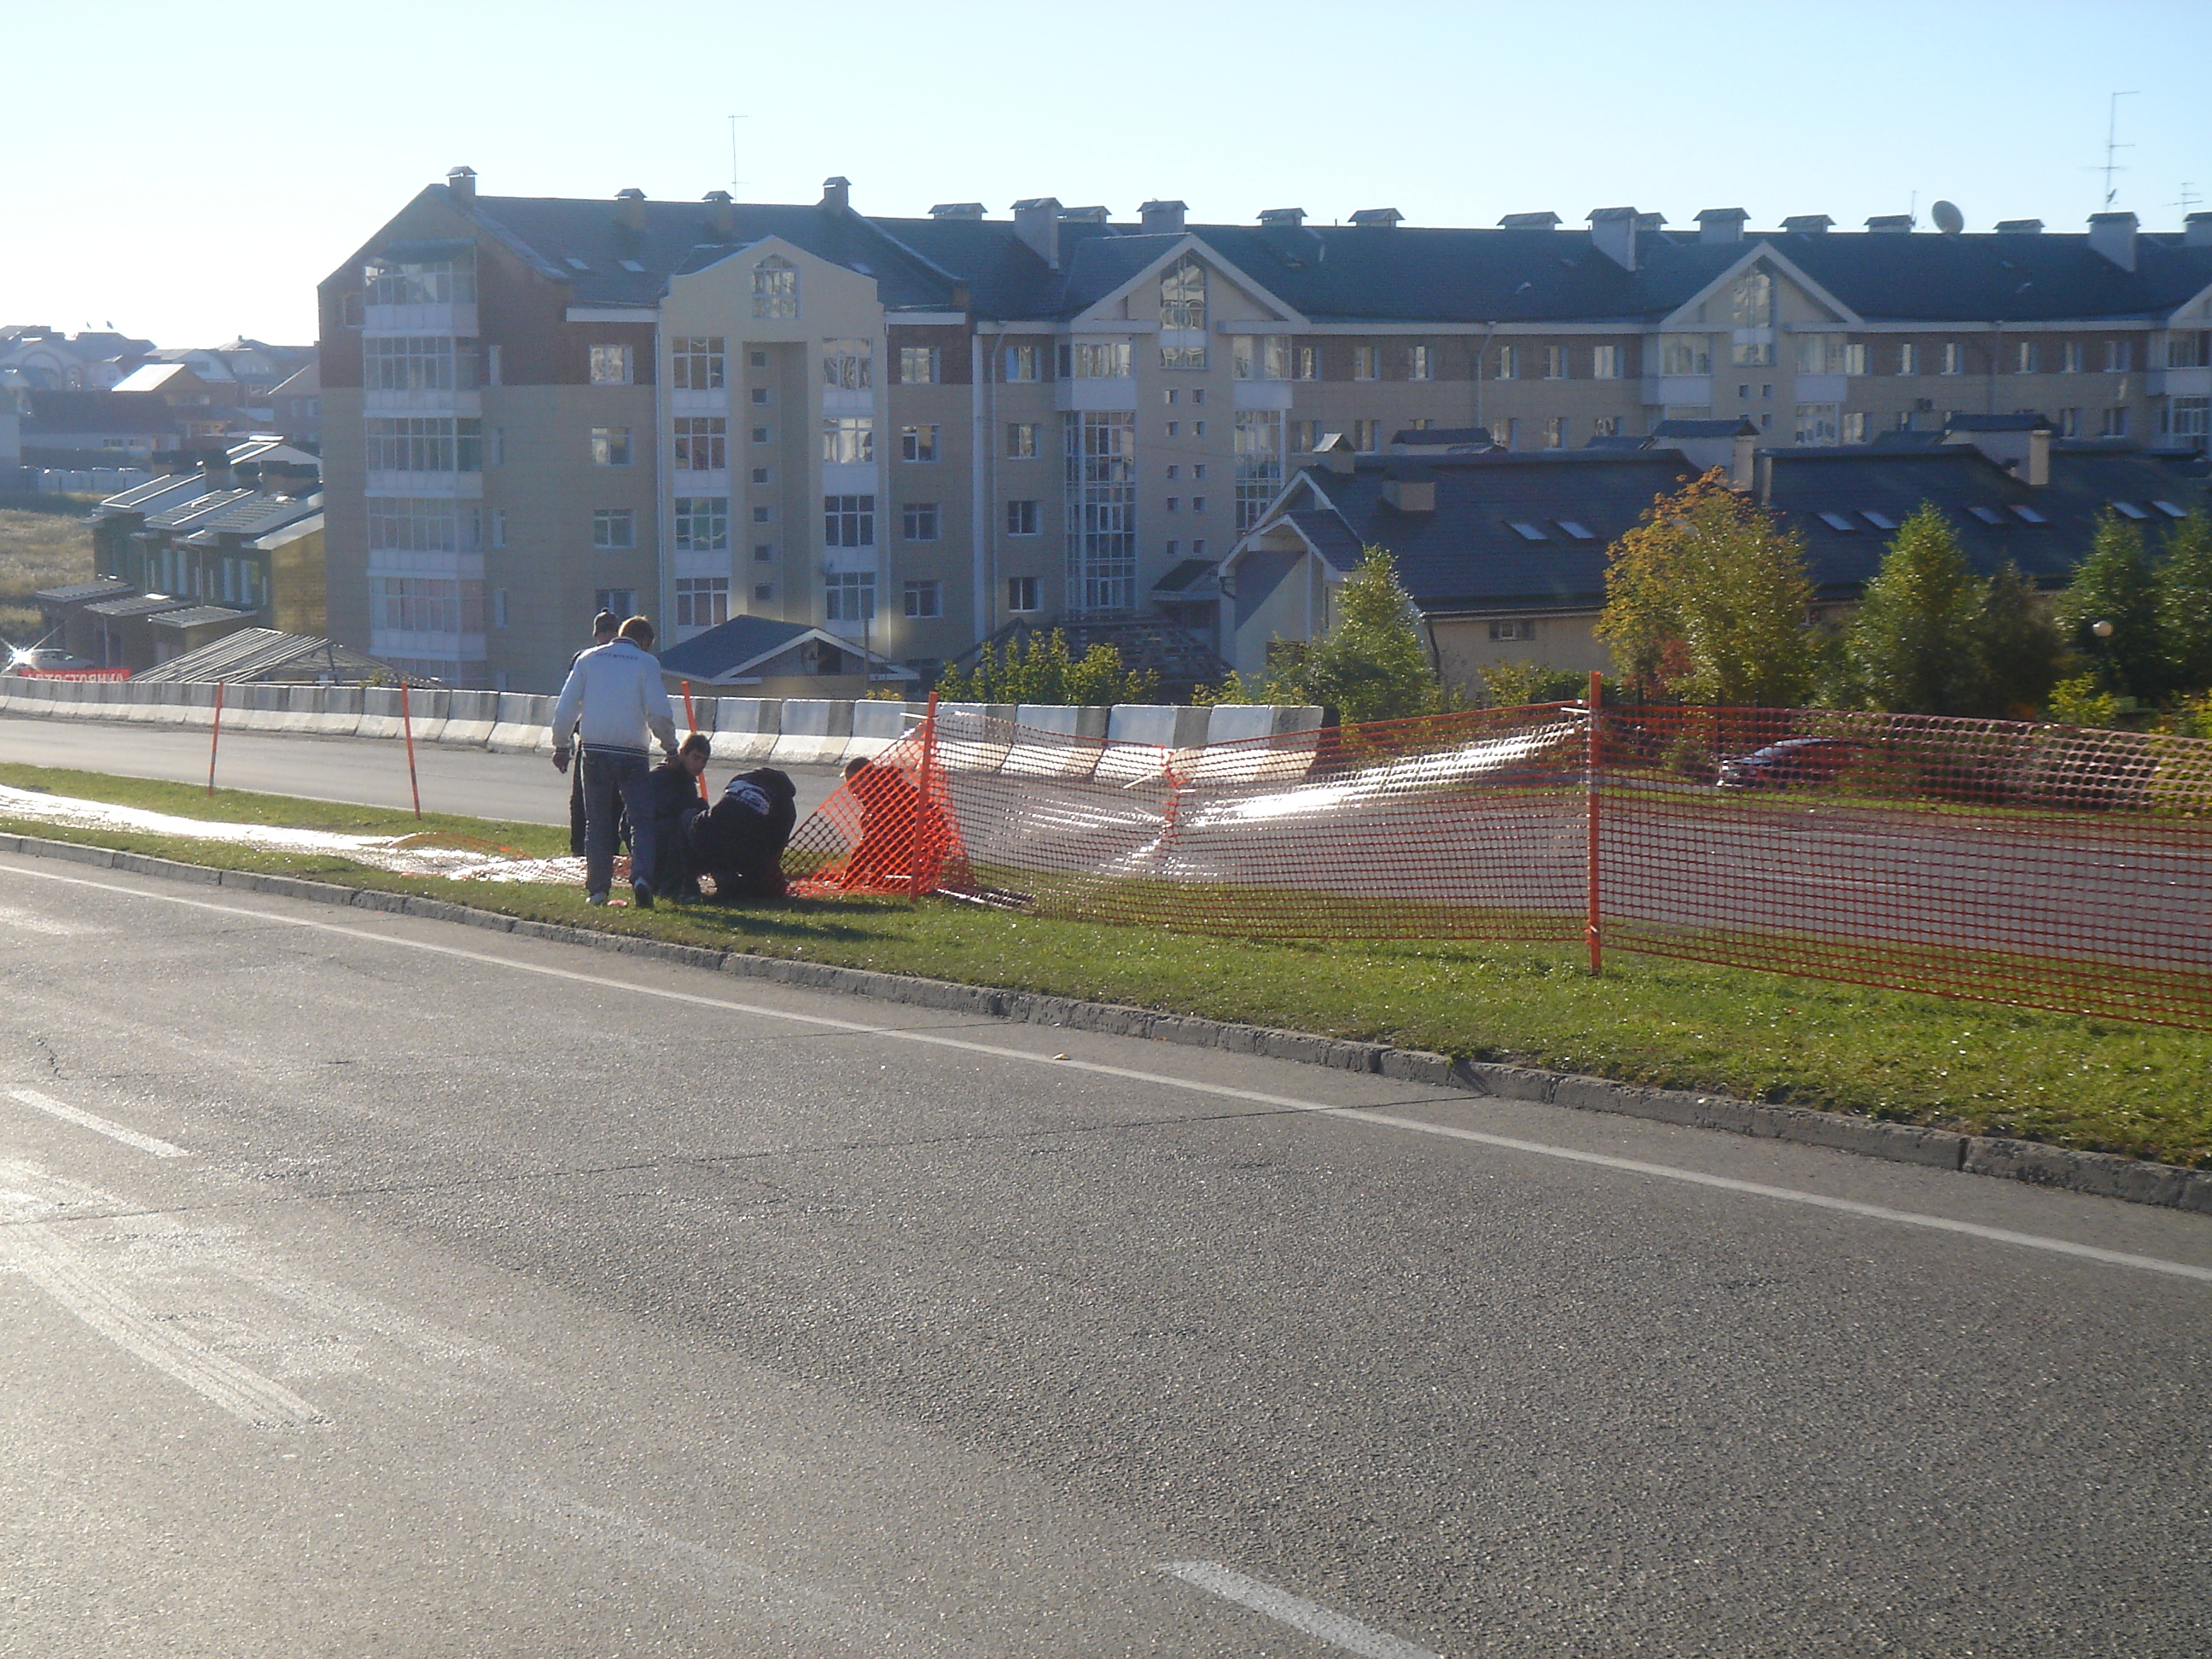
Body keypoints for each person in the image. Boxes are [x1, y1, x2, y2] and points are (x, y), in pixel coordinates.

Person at [550, 615, 677, 908]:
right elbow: (659, 712)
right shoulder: (646, 663)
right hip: (632, 751)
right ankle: (643, 878)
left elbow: (566, 707)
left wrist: (561, 745)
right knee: (640, 819)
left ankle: (598, 890)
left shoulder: (587, 659)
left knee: (597, 822)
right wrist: (670, 747)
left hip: (594, 749)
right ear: (644, 641)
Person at [686, 766, 798, 900]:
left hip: (705, 833)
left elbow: (721, 810)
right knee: (772, 886)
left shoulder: (739, 780)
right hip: (745, 847)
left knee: (692, 822)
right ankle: (735, 883)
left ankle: (716, 877)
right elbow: (777, 843)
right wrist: (768, 867)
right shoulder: (785, 803)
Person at [567, 611, 620, 857]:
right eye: (606, 631)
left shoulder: (585, 660)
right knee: (592, 801)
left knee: (592, 801)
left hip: (598, 740)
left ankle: (592, 852)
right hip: (611, 740)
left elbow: (570, 701)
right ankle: (588, 852)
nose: (608, 636)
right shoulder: (628, 659)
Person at [644, 733, 712, 899]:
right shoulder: (661, 775)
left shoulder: (687, 781)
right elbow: (666, 808)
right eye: (696, 758)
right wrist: (694, 806)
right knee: (678, 827)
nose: (700, 765)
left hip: (666, 832)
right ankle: (672, 887)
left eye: (704, 761)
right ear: (683, 753)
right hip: (648, 834)